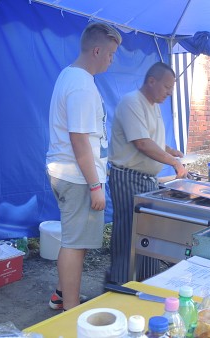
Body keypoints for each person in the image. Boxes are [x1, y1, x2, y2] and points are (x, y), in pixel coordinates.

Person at [45, 22, 122, 311]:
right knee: (75, 245)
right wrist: (94, 185)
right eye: (111, 53)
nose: (112, 59)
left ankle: (61, 295)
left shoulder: (72, 77)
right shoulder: (81, 85)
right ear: (98, 50)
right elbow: (79, 141)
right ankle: (71, 309)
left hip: (69, 173)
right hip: (78, 178)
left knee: (72, 238)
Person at [107, 62, 188, 284]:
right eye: (166, 87)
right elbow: (142, 143)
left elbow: (153, 140)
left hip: (147, 180)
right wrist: (174, 163)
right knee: (128, 235)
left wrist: (173, 151)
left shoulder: (153, 105)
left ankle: (146, 284)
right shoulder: (132, 102)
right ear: (151, 81)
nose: (169, 93)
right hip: (127, 178)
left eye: (172, 88)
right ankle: (119, 286)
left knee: (149, 236)